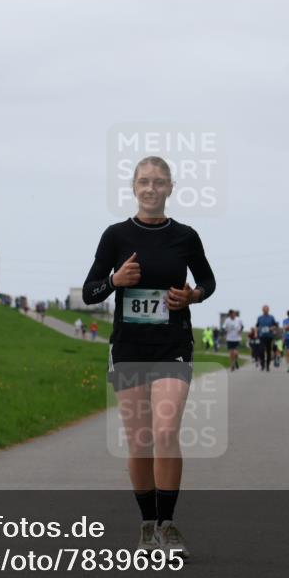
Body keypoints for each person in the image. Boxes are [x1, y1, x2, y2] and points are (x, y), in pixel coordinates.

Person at [82, 156, 215, 556]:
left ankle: (167, 526)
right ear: (134, 187)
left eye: (158, 182)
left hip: (173, 346)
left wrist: (192, 296)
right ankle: (146, 526)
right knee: (139, 440)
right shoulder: (115, 236)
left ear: (170, 188)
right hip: (129, 348)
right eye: (144, 181)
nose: (151, 188)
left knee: (165, 431)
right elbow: (90, 291)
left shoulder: (186, 236)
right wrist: (114, 280)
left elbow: (208, 281)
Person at [255, 305, 277, 371]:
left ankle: (268, 366)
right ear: (262, 310)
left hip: (269, 336)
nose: (265, 310)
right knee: (261, 350)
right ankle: (262, 364)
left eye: (267, 309)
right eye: (264, 309)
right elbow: (257, 326)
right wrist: (256, 333)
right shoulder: (259, 317)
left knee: (268, 351)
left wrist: (272, 328)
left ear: (268, 310)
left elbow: (275, 325)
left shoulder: (271, 317)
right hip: (262, 336)